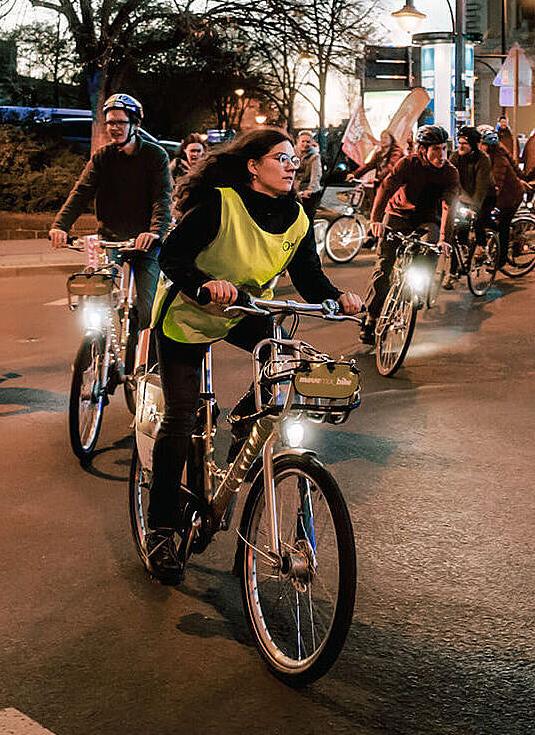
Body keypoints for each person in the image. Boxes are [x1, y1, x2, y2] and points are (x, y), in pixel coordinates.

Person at [143, 128, 363, 583]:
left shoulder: (299, 216)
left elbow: (309, 278)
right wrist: (204, 285)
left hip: (246, 311)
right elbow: (172, 256)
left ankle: (248, 417)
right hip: (187, 315)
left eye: (292, 159)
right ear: (253, 166)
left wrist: (338, 297)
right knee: (181, 418)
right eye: (280, 157)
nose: (290, 165)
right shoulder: (221, 203)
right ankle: (161, 531)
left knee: (285, 360)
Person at [48, 93, 171, 370]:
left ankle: (148, 364)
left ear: (134, 124)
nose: (113, 128)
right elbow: (80, 193)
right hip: (110, 239)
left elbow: (162, 198)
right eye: (109, 123)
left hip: (145, 243)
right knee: (95, 293)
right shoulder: (102, 158)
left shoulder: (155, 156)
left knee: (149, 309)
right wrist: (60, 226)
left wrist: (154, 232)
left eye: (119, 122)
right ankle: (100, 341)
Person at [363, 125, 459, 345]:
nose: (441, 154)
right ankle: (371, 318)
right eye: (436, 149)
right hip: (398, 215)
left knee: (431, 247)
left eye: (444, 148)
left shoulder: (449, 172)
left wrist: (445, 238)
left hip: (428, 219)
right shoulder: (408, 164)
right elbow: (386, 189)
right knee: (384, 266)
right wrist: (375, 220)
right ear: (422, 149)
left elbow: (448, 207)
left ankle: (419, 286)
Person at [445, 126, 491, 287]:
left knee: (478, 220)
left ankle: (482, 247)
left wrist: (474, 208)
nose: (461, 146)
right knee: (456, 233)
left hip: (484, 197)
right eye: (459, 142)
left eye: (465, 143)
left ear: (473, 144)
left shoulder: (483, 160)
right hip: (462, 196)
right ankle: (455, 267)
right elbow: (450, 179)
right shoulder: (455, 157)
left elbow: (481, 187)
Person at [475, 130, 526, 269]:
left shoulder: (498, 160)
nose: (480, 146)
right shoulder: (488, 155)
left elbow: (497, 184)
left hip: (511, 197)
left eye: (482, 144)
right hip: (503, 196)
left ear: (489, 146)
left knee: (502, 226)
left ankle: (502, 258)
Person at [292, 129, 323, 222]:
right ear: (298, 141)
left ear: (312, 143)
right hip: (295, 189)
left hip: (309, 189)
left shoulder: (314, 156)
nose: (305, 144)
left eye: (308, 142)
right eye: (303, 141)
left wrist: (310, 189)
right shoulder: (293, 153)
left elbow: (316, 174)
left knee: (307, 217)